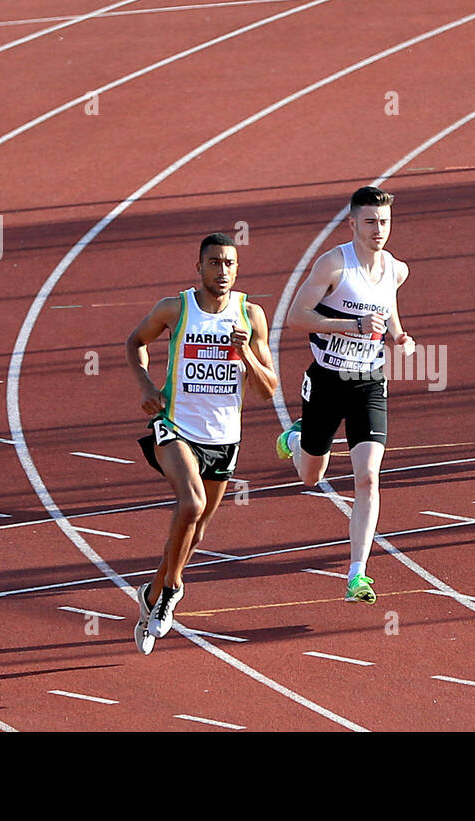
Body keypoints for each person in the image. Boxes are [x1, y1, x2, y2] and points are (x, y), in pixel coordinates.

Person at [125, 233, 278, 654]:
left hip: (225, 437)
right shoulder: (176, 308)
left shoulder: (252, 315)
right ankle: (173, 586)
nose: (222, 271)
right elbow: (135, 342)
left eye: (229, 263)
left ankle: (152, 595)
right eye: (214, 263)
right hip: (175, 426)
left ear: (237, 268)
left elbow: (268, 389)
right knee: (190, 504)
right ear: (199, 267)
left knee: (196, 533)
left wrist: (245, 355)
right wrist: (145, 384)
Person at [276, 186, 415, 604]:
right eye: (370, 221)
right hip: (326, 382)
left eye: (385, 222)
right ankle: (298, 438)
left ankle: (358, 574)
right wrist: (351, 327)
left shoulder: (395, 268)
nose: (379, 229)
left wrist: (399, 336)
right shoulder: (334, 264)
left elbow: (388, 308)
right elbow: (296, 317)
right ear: (352, 223)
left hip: (369, 383)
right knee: (311, 477)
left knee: (368, 477)